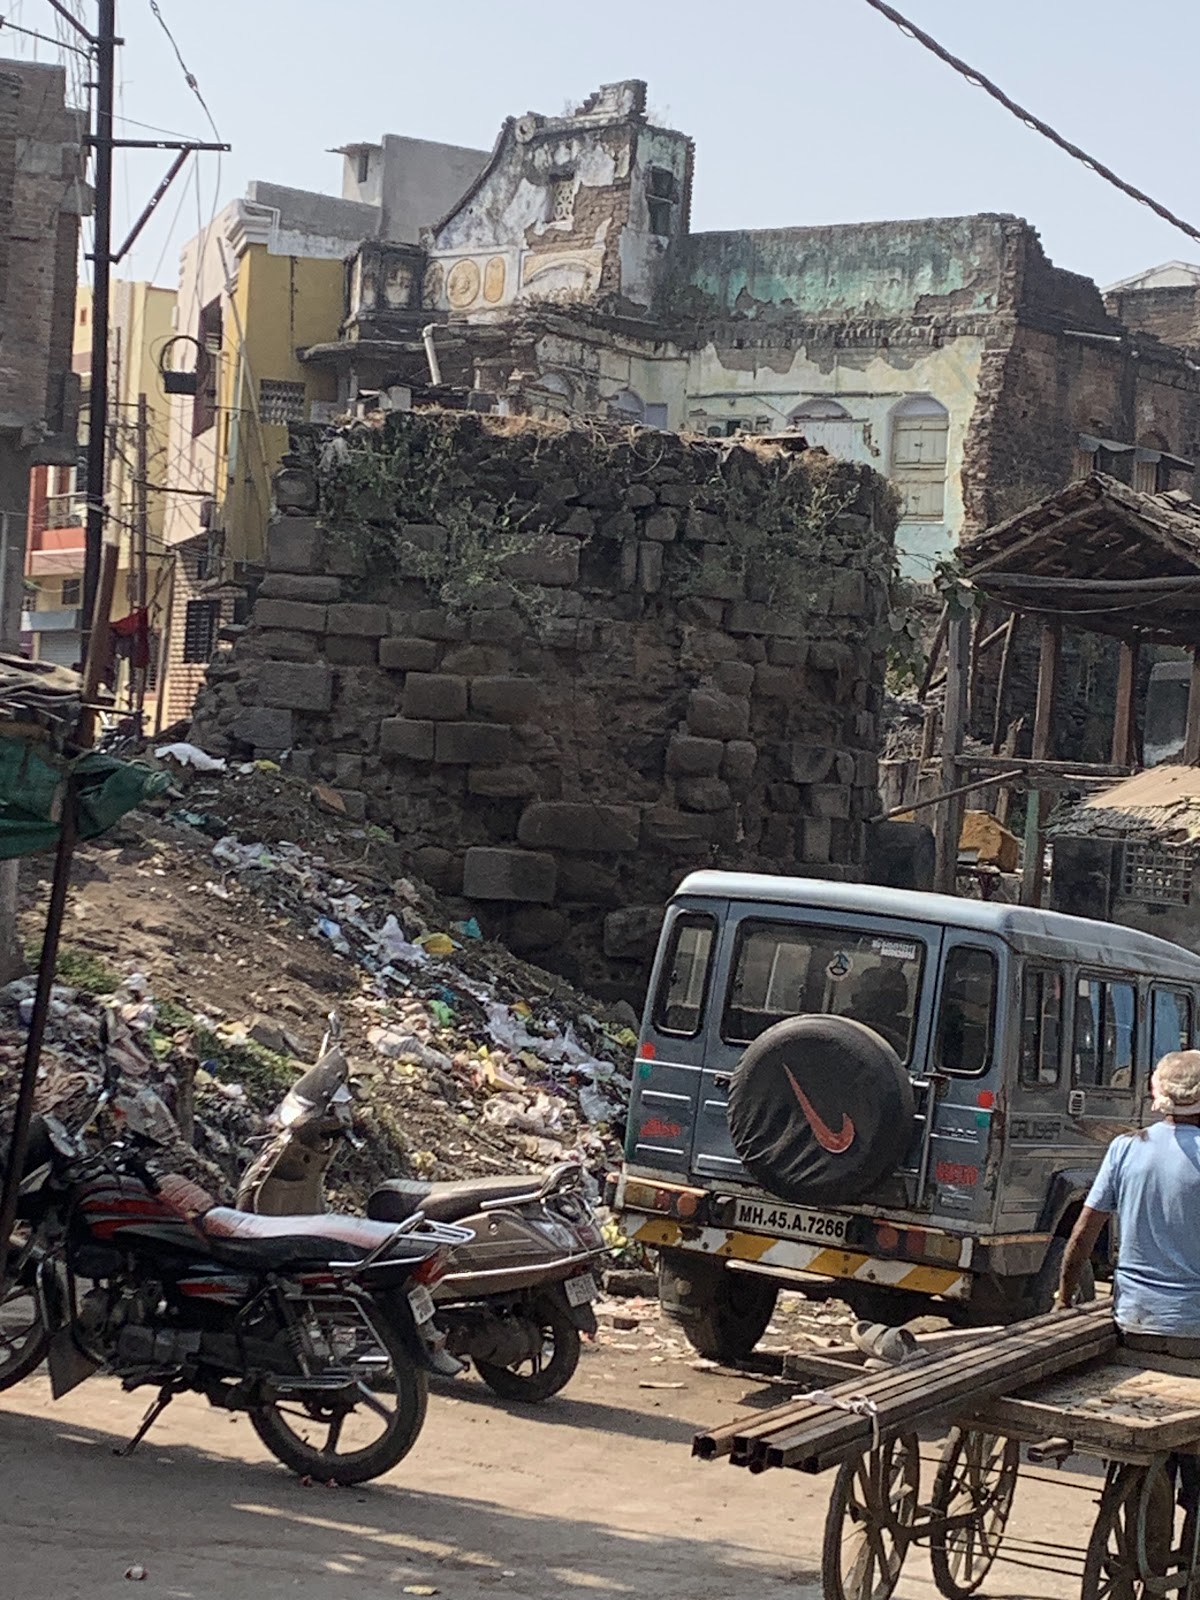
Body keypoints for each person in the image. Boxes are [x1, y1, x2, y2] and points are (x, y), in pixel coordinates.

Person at [1058, 1049, 1200, 1557]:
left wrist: (1063, 1299)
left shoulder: (1125, 1148)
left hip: (1132, 1322)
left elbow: (1081, 1236)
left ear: (1156, 1095)